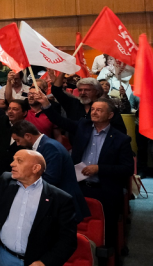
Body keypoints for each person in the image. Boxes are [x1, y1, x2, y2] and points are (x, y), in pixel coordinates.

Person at [0, 138, 77, 266]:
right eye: (13, 160)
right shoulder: (7, 181)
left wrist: (44, 262)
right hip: (5, 256)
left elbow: (68, 240)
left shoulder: (60, 199)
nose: (12, 164)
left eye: (19, 161)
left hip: (36, 262)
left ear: (35, 168)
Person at [39, 95, 133, 256]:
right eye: (93, 109)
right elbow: (61, 121)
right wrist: (47, 105)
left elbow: (127, 169)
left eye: (99, 110)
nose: (94, 112)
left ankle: (107, 258)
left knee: (105, 231)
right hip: (78, 186)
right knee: (71, 224)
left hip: (105, 190)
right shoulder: (83, 126)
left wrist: (100, 168)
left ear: (110, 115)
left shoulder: (121, 139)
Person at [11, 120, 90, 223]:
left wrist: (23, 183)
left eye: (18, 140)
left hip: (63, 204)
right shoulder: (45, 145)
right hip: (57, 202)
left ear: (28, 136)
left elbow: (51, 178)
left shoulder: (50, 147)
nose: (17, 144)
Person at [52, 74, 127, 134]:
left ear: (97, 91)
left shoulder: (107, 107)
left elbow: (120, 131)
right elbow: (56, 91)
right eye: (80, 90)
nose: (83, 93)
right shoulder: (73, 104)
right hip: (77, 148)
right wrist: (62, 72)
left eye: (87, 90)